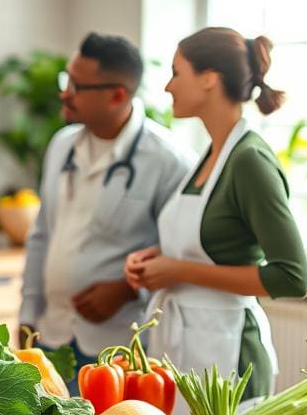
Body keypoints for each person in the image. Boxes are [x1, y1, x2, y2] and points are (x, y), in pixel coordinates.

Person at [125, 28, 307, 415]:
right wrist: (156, 258)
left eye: (177, 72)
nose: (168, 85)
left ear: (209, 78)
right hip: (187, 353)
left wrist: (179, 270)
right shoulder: (209, 156)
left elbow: (292, 276)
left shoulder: (249, 162)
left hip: (230, 364)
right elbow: (216, 240)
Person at [19, 33, 192, 390]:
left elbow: (179, 253)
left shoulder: (168, 161)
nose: (64, 93)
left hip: (116, 347)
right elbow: (41, 236)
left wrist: (128, 290)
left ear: (117, 95)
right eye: (66, 80)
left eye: (77, 86)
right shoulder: (61, 145)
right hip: (50, 334)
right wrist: (26, 318)